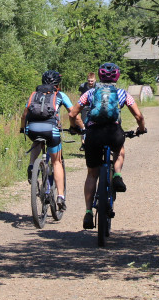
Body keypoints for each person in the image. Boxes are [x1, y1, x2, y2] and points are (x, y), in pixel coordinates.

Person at [68, 62, 147, 230]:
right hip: (113, 132)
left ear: (99, 76)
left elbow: (73, 113)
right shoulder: (122, 93)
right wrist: (141, 129)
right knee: (119, 150)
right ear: (117, 76)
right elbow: (139, 116)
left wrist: (74, 127)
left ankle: (88, 212)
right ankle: (117, 175)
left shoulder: (90, 93)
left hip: (93, 134)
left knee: (92, 174)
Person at [19, 70, 73, 210]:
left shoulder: (34, 94)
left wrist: (22, 128)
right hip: (51, 131)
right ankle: (60, 196)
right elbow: (73, 113)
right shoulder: (60, 95)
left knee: (36, 141)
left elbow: (24, 115)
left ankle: (32, 166)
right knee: (56, 162)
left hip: (33, 129)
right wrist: (78, 127)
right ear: (57, 84)